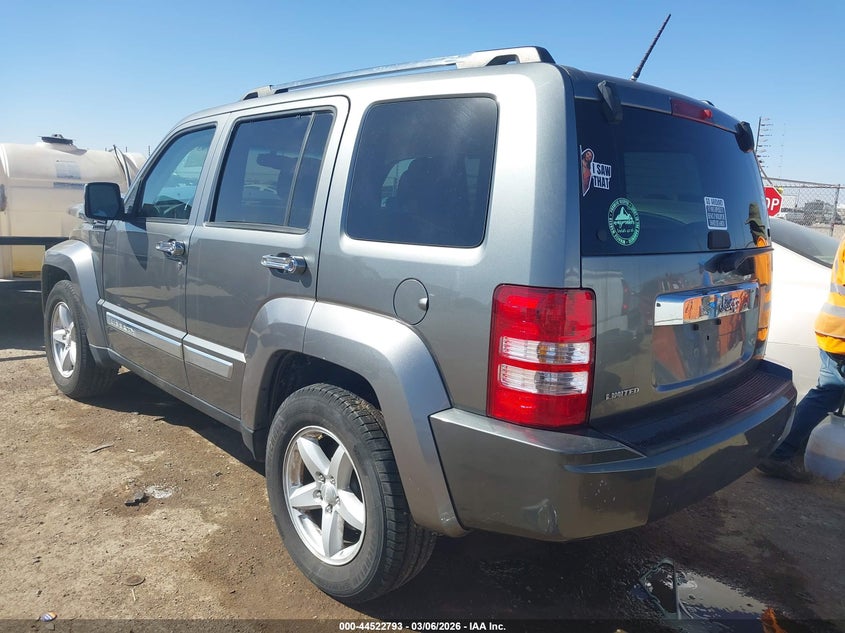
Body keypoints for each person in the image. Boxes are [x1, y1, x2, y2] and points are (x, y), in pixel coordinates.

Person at [757, 233, 845, 482]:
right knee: (827, 393)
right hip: (841, 335)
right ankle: (778, 453)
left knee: (827, 393)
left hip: (835, 330)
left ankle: (778, 452)